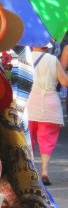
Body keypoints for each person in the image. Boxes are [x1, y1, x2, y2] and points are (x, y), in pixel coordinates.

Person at [27, 43, 68, 185]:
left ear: (32, 45)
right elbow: (64, 82)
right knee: (47, 139)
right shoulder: (52, 60)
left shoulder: (24, 58)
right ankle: (44, 171)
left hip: (30, 102)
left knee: (27, 138)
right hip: (50, 104)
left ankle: (29, 171)